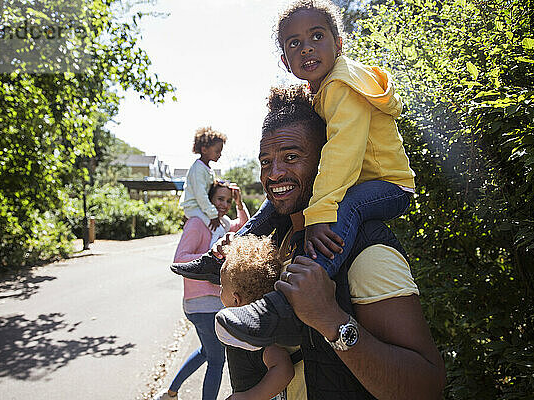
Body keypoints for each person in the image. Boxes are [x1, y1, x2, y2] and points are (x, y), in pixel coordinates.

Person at [213, 86, 445, 398]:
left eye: (291, 157)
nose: (274, 173)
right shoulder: (277, 239)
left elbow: (426, 387)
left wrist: (330, 319)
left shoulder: (368, 253)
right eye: (266, 161)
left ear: (328, 162)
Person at [172, 0, 415, 285]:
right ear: (286, 61)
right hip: (360, 181)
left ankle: (307, 285)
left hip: (389, 186)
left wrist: (319, 214)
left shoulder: (342, 85)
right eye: (294, 43)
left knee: (346, 207)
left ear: (339, 44)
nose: (307, 48)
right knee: (275, 201)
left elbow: (342, 153)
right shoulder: (320, 89)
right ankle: (229, 254)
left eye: (317, 36)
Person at [153, 181, 249, 400]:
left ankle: (170, 393)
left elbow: (245, 226)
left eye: (227, 200)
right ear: (208, 199)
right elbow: (179, 260)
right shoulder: (198, 223)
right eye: (219, 199)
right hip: (200, 304)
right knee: (217, 360)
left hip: (214, 302)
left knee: (207, 352)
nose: (224, 205)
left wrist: (239, 203)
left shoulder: (223, 223)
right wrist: (211, 257)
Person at [219, 235, 307, 400]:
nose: (219, 291)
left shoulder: (255, 335)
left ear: (236, 299)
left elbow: (284, 370)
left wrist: (248, 397)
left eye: (222, 287)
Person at [179, 127, 228, 241]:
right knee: (219, 230)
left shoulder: (206, 168)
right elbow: (201, 195)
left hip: (201, 207)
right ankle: (212, 255)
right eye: (217, 151)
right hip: (193, 207)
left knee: (227, 223)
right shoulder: (198, 169)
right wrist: (213, 215)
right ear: (204, 149)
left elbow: (211, 186)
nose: (220, 154)